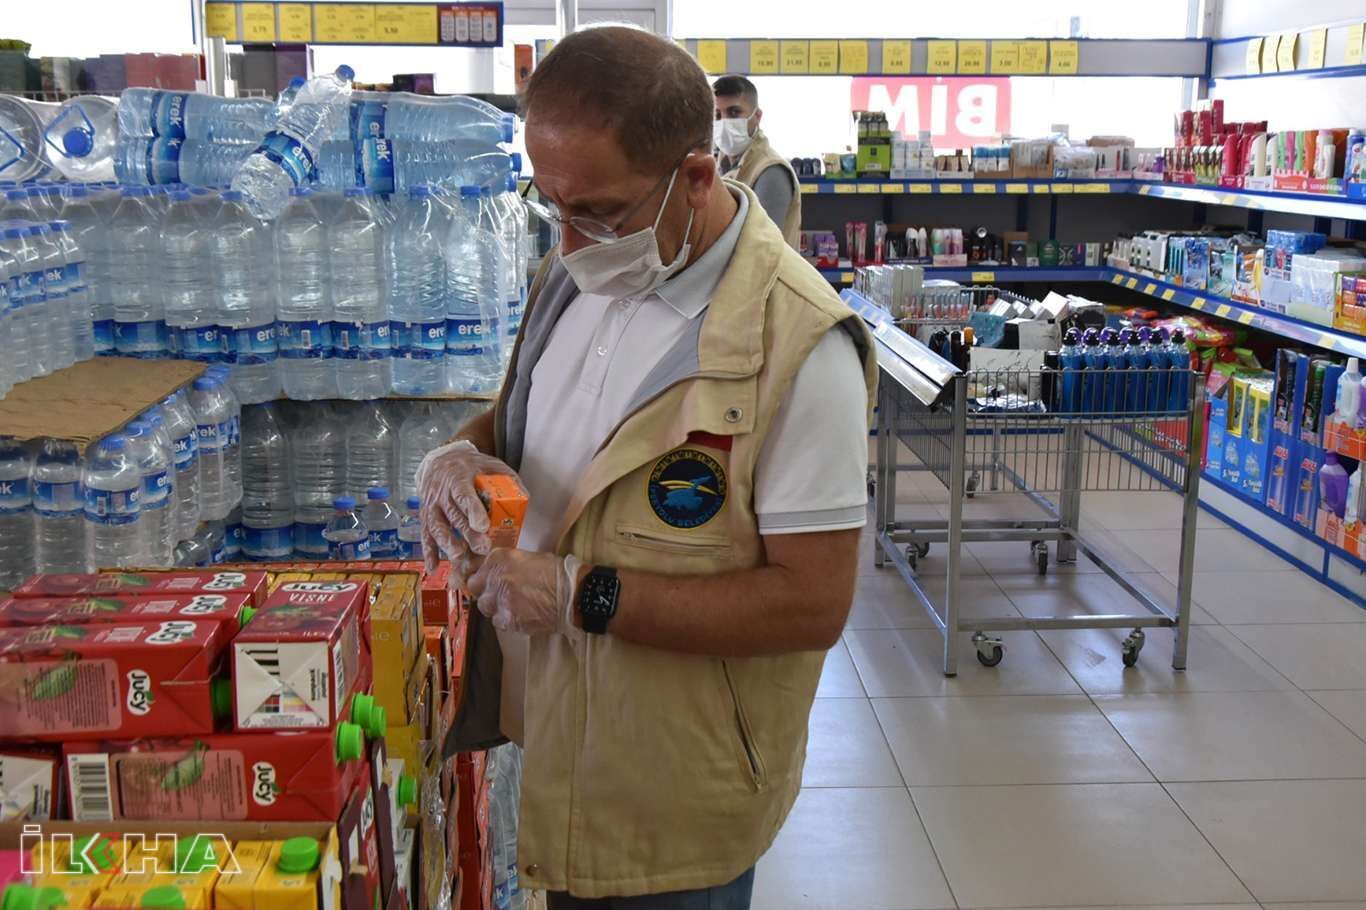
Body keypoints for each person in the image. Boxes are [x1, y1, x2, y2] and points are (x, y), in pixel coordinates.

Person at [418, 25, 875, 910]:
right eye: (551, 204)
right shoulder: (574, 274)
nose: (571, 241)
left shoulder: (799, 346)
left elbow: (812, 603)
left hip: (674, 796)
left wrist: (578, 595)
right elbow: (526, 423)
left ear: (696, 177)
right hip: (555, 742)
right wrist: (462, 451)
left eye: (599, 212)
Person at [712, 74, 801, 249]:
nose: (724, 122)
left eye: (734, 112)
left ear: (757, 116)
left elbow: (762, 248)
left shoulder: (771, 171)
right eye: (717, 115)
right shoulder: (719, 165)